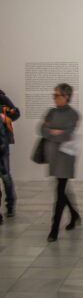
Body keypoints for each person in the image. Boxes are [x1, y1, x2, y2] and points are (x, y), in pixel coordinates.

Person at [41, 83, 80, 242]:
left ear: (66, 97)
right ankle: (74, 214)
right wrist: (56, 132)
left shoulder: (73, 114)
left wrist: (53, 132)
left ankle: (54, 228)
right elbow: (42, 130)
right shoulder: (50, 112)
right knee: (61, 188)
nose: (54, 98)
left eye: (57, 95)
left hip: (65, 156)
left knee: (60, 190)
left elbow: (68, 134)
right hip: (53, 155)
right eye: (54, 95)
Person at [0, 89, 20, 218]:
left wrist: (5, 117)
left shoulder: (2, 99)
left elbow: (16, 113)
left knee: (5, 175)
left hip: (2, 144)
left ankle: (10, 204)